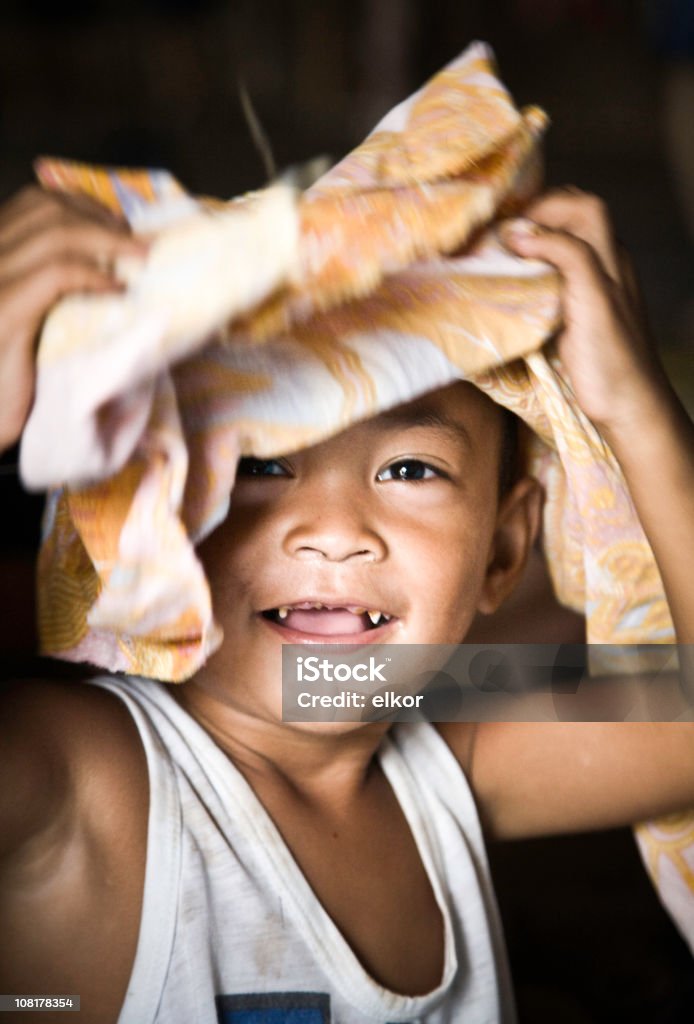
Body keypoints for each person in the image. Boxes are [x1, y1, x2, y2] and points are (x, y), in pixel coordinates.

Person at [1, 181, 693, 1024]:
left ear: (504, 551)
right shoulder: (89, 775)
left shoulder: (441, 744)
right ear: (154, 509)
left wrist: (635, 408)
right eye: (258, 463)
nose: (333, 532)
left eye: (410, 469)